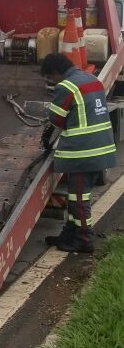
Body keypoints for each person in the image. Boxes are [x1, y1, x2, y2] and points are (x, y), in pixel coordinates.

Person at [40, 52, 116, 253]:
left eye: (50, 78)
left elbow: (56, 118)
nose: (51, 82)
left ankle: (84, 239)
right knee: (77, 197)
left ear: (56, 72)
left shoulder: (66, 86)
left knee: (78, 199)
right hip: (101, 147)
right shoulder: (92, 80)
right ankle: (70, 233)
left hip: (84, 151)